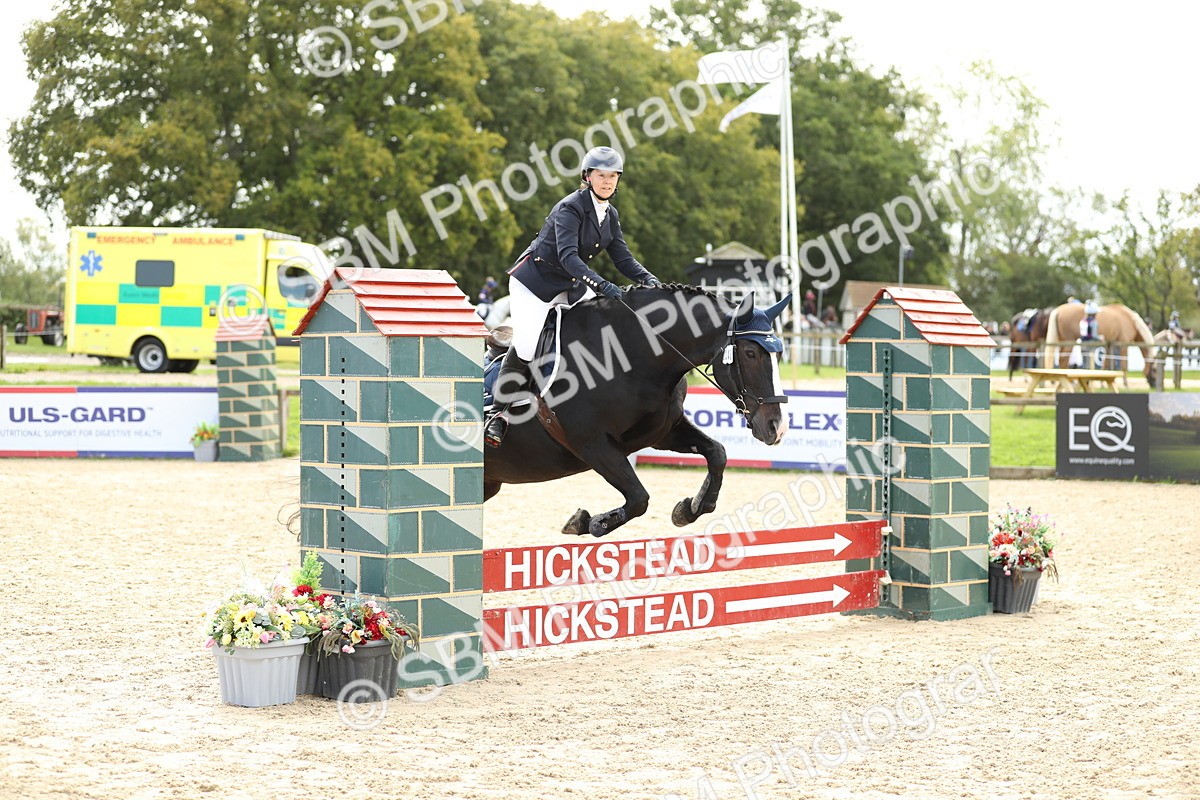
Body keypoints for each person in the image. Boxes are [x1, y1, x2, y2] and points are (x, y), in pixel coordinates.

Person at [483, 146, 661, 448]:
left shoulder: (610, 215)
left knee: (602, 323)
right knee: (526, 345)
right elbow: (568, 257)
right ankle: (497, 415)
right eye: (601, 175)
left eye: (613, 176)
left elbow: (623, 259)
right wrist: (602, 284)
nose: (607, 181)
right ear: (587, 177)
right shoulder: (571, 208)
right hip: (535, 285)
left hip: (569, 285)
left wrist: (650, 280)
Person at [1076, 300, 1101, 368]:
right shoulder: (1094, 322)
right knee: (1090, 363)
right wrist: (1100, 338)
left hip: (1083, 343)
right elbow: (1094, 335)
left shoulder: (1082, 321)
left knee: (1084, 362)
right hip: (1090, 345)